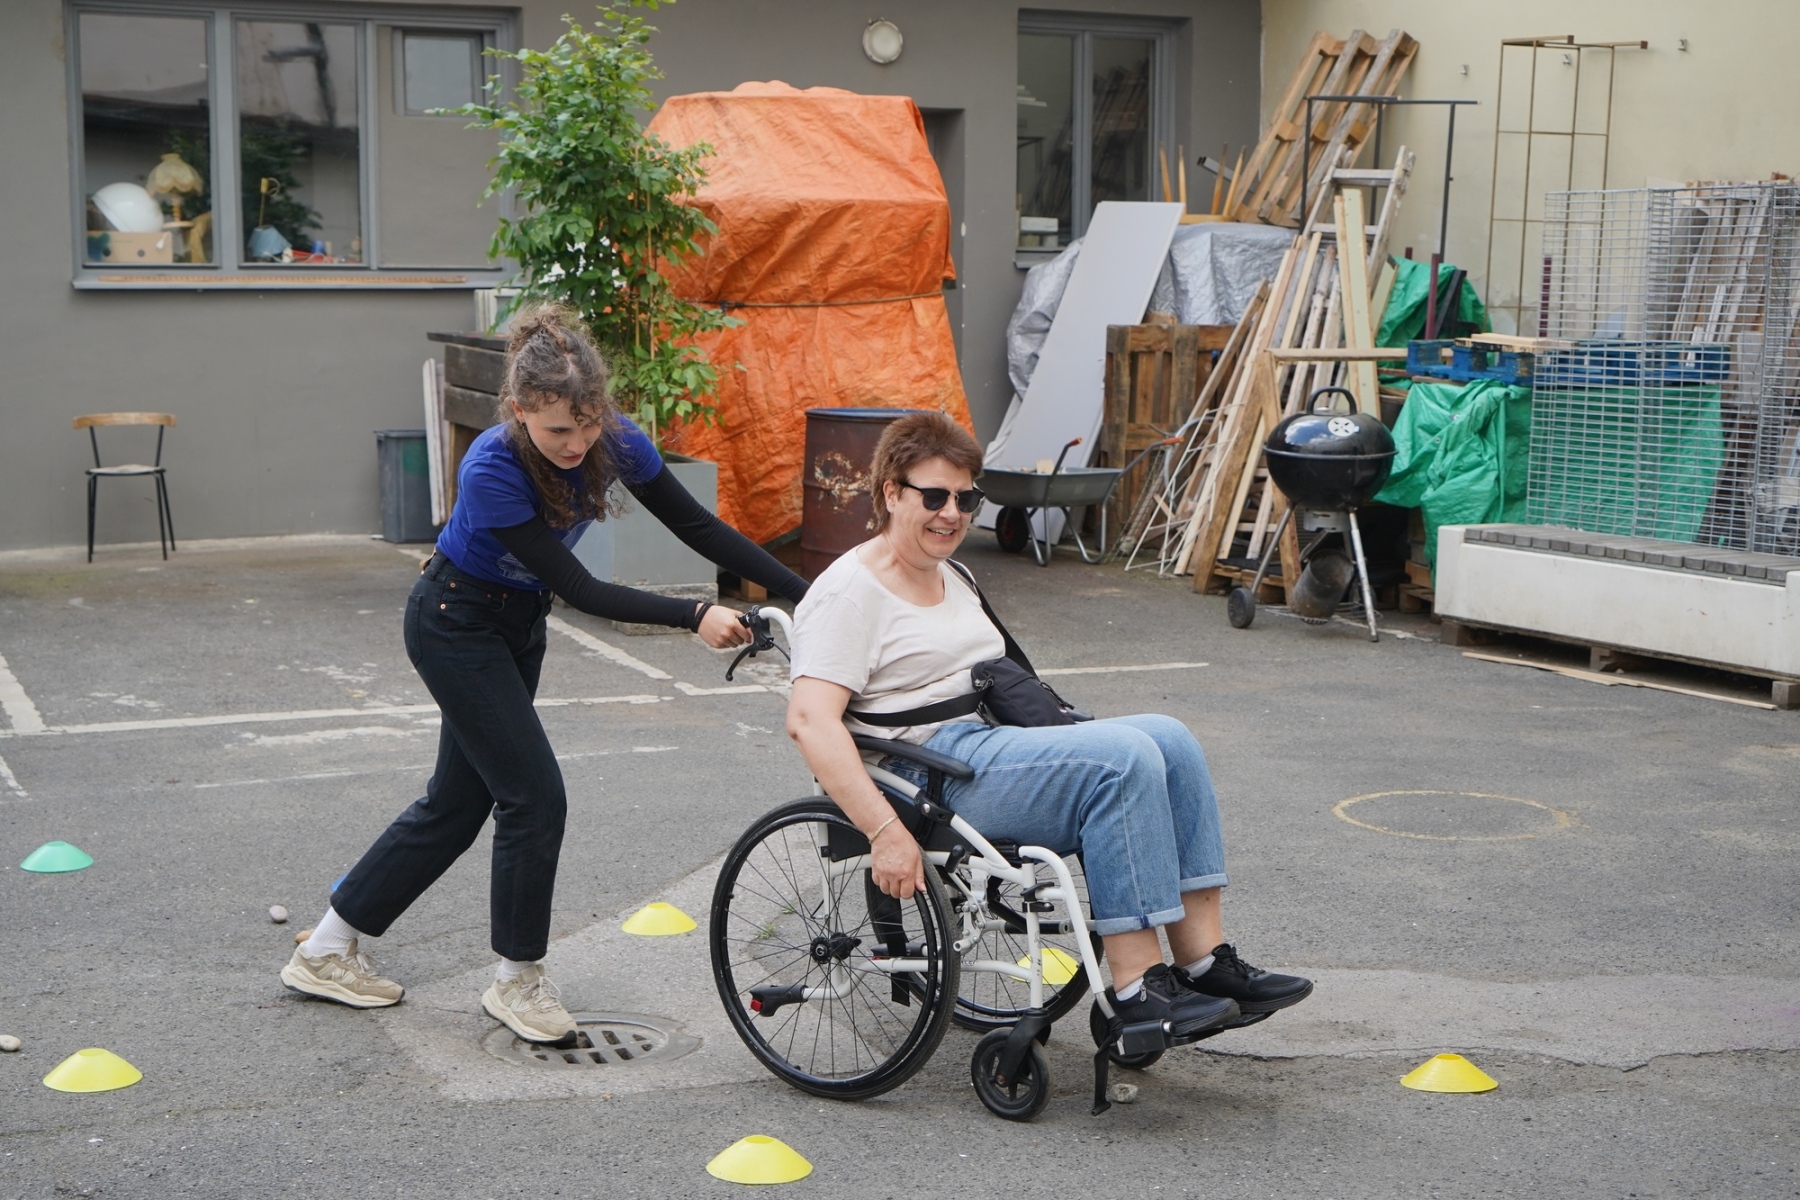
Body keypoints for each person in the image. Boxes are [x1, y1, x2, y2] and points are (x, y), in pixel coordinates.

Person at [281, 304, 807, 1042]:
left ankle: (328, 949)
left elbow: (698, 526)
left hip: (516, 625)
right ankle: (518, 980)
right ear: (520, 408)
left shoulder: (613, 439)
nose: (576, 443)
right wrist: (693, 615)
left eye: (587, 425)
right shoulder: (491, 467)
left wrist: (815, 596)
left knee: (456, 803)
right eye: (559, 429)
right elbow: (581, 588)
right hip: (455, 621)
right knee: (532, 797)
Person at [784, 412, 1311, 1039]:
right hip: (924, 774)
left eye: (965, 499)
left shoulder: (951, 573)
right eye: (935, 497)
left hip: (983, 742)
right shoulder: (850, 593)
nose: (952, 514)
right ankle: (1136, 990)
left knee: (1170, 738)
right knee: (1123, 759)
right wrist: (884, 832)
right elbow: (810, 722)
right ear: (891, 493)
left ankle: (1203, 962)